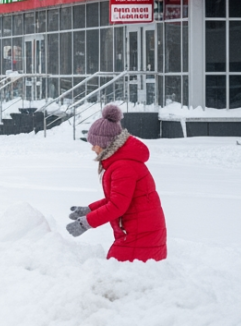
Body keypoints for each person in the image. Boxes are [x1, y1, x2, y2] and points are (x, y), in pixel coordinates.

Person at [65, 105, 167, 262]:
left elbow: (117, 206)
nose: (93, 148)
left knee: (113, 272)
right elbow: (117, 199)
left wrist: (86, 223)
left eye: (94, 143)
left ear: (105, 143)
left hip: (141, 236)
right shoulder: (120, 162)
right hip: (139, 231)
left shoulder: (123, 166)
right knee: (114, 271)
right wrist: (89, 210)